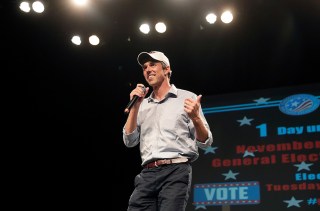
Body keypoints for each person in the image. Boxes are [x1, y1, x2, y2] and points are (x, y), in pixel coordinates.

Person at [122, 51, 213, 211]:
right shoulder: (142, 104)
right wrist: (135, 107)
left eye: (153, 65)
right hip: (148, 174)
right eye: (144, 67)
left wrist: (196, 119)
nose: (148, 69)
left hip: (176, 171)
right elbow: (129, 141)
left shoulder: (187, 98)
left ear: (166, 69)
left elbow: (206, 142)